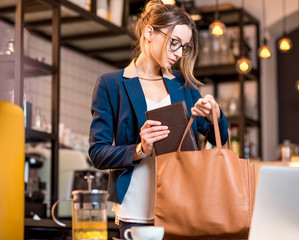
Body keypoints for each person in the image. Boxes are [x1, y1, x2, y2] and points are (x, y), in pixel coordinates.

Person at [88, 0, 228, 238]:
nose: (178, 53)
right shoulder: (111, 84)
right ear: (149, 32)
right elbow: (97, 153)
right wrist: (140, 149)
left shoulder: (184, 86)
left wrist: (216, 115)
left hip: (182, 207)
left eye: (184, 47)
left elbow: (218, 138)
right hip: (136, 210)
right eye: (174, 42)